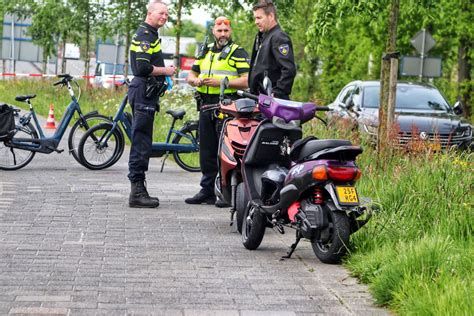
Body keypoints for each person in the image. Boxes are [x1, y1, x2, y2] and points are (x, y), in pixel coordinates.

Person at [185, 16, 250, 206]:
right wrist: (195, 81)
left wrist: (222, 82)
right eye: (219, 30)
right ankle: (207, 191)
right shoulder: (204, 51)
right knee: (206, 150)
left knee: (226, 152)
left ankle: (225, 192)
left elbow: (247, 80)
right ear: (213, 31)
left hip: (227, 106)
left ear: (230, 32)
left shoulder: (238, 52)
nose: (223, 34)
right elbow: (191, 74)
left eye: (226, 31)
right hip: (205, 105)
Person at [128, 1, 175, 208]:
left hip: (145, 93)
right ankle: (137, 192)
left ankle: (138, 189)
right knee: (141, 142)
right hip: (143, 92)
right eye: (161, 13)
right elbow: (143, 67)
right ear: (149, 13)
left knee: (142, 140)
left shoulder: (151, 33)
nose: (164, 17)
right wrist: (166, 71)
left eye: (167, 14)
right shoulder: (145, 35)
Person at [249, 0, 296, 100]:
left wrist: (278, 93)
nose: (256, 22)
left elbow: (288, 69)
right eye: (255, 18)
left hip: (273, 100)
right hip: (260, 98)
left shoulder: (279, 37)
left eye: (259, 18)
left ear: (271, 16)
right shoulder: (263, 37)